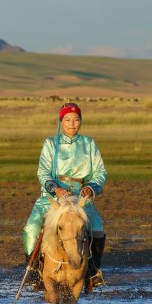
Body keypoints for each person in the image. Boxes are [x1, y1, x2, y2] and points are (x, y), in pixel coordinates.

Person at [22, 102, 108, 289]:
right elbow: (43, 173)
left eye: (76, 119)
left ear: (81, 121)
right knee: (31, 227)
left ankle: (92, 271)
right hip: (53, 197)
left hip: (80, 198)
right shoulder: (51, 144)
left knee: (97, 228)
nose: (72, 124)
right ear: (61, 122)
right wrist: (56, 189)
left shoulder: (89, 143)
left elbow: (100, 172)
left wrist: (91, 188)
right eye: (67, 120)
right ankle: (34, 271)